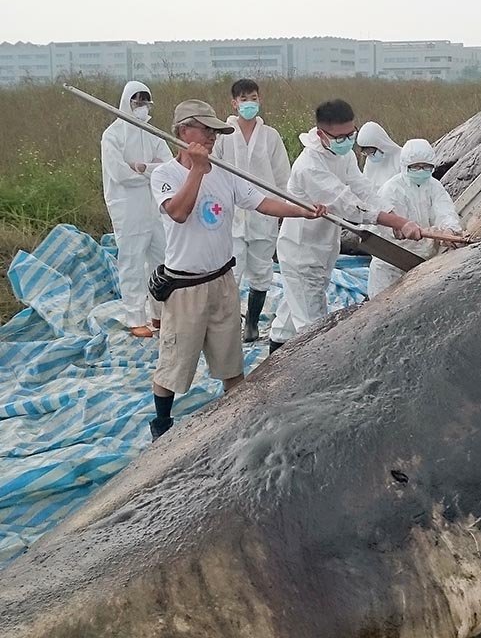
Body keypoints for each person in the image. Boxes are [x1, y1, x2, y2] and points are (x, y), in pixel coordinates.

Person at [147, 100, 326, 440]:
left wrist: (302, 211)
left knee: (231, 363)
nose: (213, 137)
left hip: (222, 282)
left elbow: (261, 202)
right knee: (173, 365)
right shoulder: (165, 175)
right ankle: (161, 424)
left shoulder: (225, 173)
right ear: (185, 131)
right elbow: (179, 212)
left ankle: (241, 424)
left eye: (216, 131)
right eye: (206, 130)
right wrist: (197, 170)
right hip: (185, 288)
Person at [269, 100, 422, 353]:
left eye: (350, 134)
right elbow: (348, 204)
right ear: (320, 134)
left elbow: (362, 188)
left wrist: (396, 215)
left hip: (324, 247)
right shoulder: (309, 167)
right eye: (339, 137)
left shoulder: (344, 154)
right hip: (301, 252)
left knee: (288, 319)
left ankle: (268, 367)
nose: (347, 141)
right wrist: (395, 222)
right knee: (311, 325)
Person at [210, 78, 291, 342]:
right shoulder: (223, 134)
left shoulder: (270, 136)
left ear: (260, 100)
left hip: (263, 213)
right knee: (230, 270)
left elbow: (281, 175)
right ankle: (229, 323)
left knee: (261, 269)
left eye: (253, 98)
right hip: (231, 214)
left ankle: (252, 324)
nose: (249, 104)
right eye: (243, 99)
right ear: (234, 103)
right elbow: (213, 172)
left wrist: (283, 210)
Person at [100, 80, 171, 337]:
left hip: (154, 206)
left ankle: (161, 314)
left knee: (162, 260)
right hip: (127, 208)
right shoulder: (113, 135)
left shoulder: (153, 133)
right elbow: (119, 173)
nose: (141, 106)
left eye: (144, 101)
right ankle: (134, 317)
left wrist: (143, 167)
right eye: (136, 101)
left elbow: (168, 166)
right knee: (131, 261)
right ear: (126, 102)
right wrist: (147, 171)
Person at [367, 139, 463, 298]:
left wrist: (449, 229)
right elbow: (383, 226)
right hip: (391, 265)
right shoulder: (392, 189)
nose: (421, 171)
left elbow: (445, 210)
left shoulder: (434, 186)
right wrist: (400, 231)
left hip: (422, 263)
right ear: (405, 166)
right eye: (416, 167)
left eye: (426, 167)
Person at [357, 121, 402, 189]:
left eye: (372, 152)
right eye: (366, 153)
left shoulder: (400, 158)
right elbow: (366, 184)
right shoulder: (370, 161)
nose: (370, 156)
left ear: (380, 145)